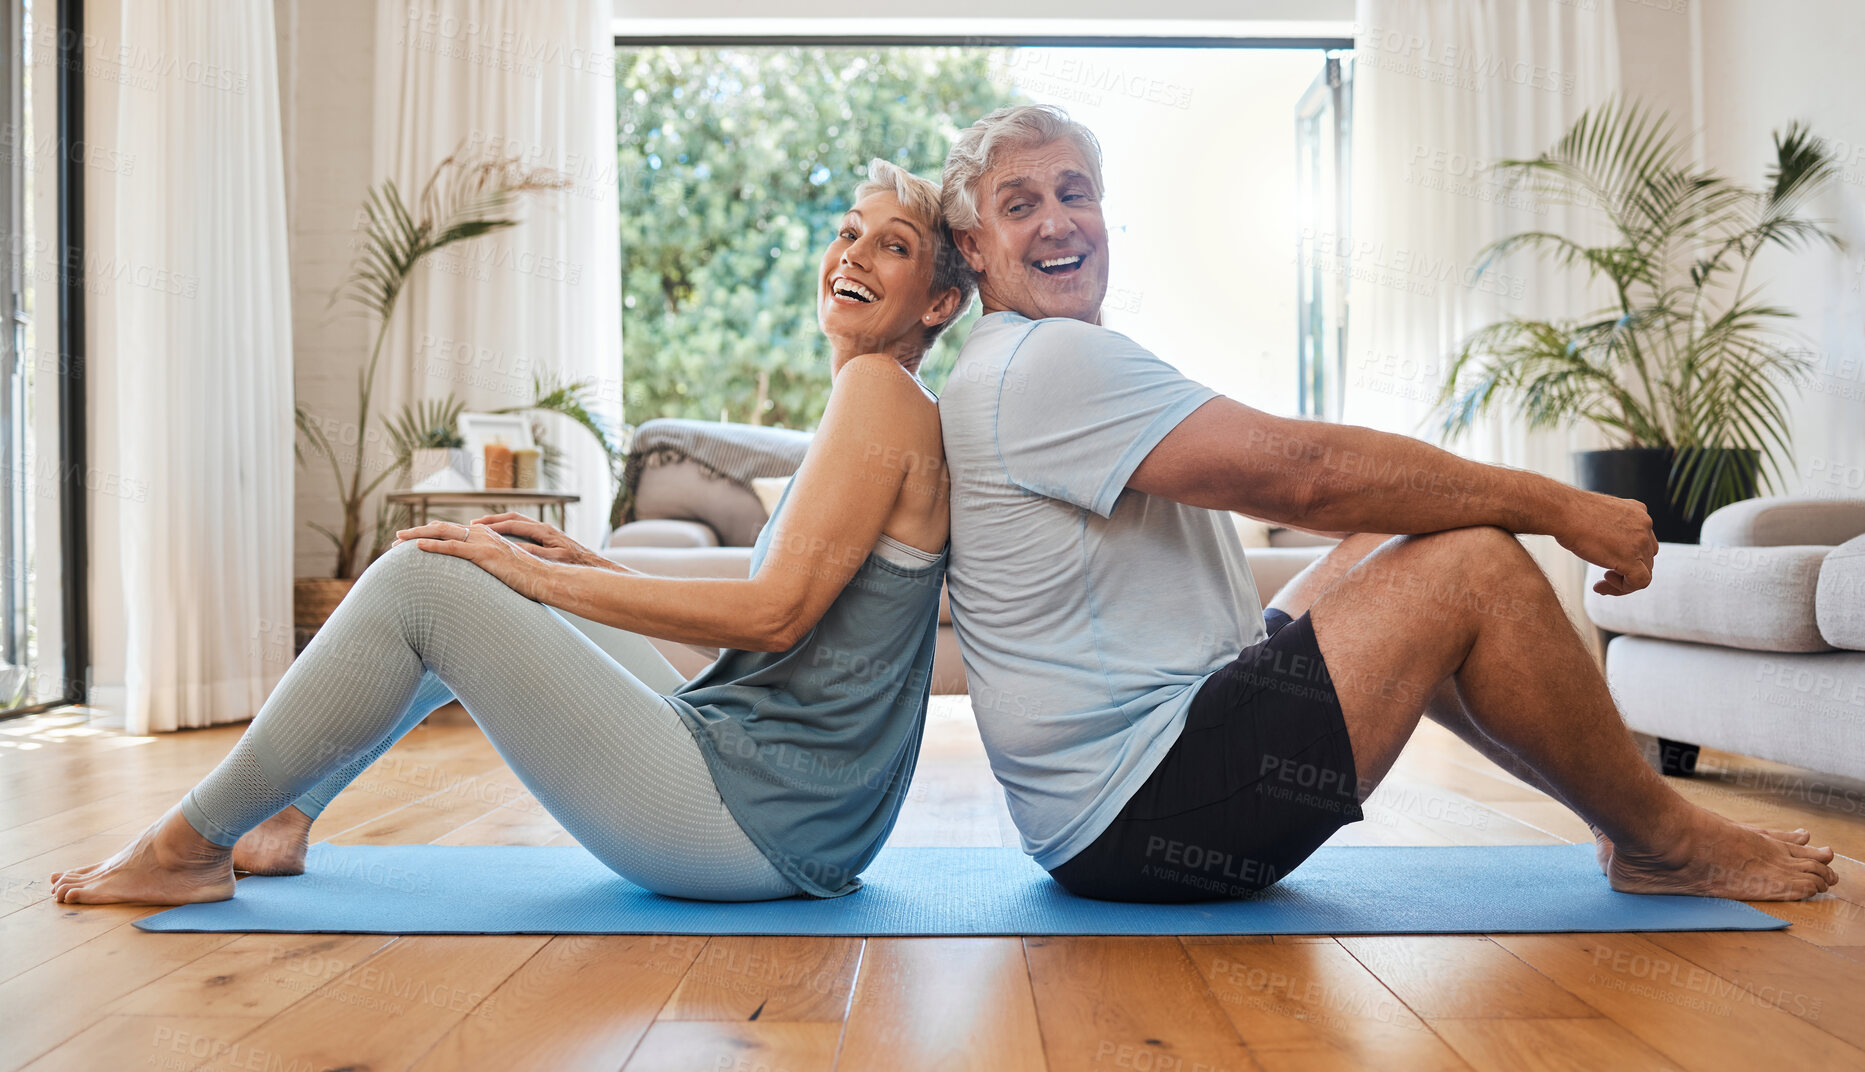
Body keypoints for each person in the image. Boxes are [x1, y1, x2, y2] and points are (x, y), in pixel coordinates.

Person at [935, 105, 1837, 903]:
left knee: (1409, 530)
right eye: (1019, 206)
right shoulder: (1039, 361)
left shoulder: (1028, 360)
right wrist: (1555, 504)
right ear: (973, 249)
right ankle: (1667, 839)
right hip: (1142, 812)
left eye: (1075, 193)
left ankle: (1621, 820)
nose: (1058, 221)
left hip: (1132, 793)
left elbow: (1327, 486)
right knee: (1470, 563)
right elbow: (1304, 475)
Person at [52, 159, 969, 905]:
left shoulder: (879, 393)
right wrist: (574, 564)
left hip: (749, 821)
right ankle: (281, 818)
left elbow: (773, 617)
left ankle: (188, 844)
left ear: (936, 304)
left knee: (429, 579)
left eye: (894, 247)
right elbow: (792, 632)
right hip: (769, 790)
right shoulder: (875, 402)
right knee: (492, 561)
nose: (853, 253)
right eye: (849, 230)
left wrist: (540, 584)